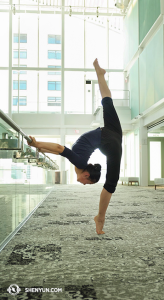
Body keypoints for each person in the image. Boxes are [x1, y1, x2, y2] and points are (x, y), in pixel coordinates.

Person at [27, 58, 122, 235]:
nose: (84, 184)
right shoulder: (79, 161)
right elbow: (59, 147)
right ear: (86, 174)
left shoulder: (80, 161)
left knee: (107, 101)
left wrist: (39, 148)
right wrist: (37, 143)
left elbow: (59, 151)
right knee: (110, 185)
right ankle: (100, 218)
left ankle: (100, 74)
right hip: (110, 143)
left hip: (113, 133)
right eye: (88, 182)